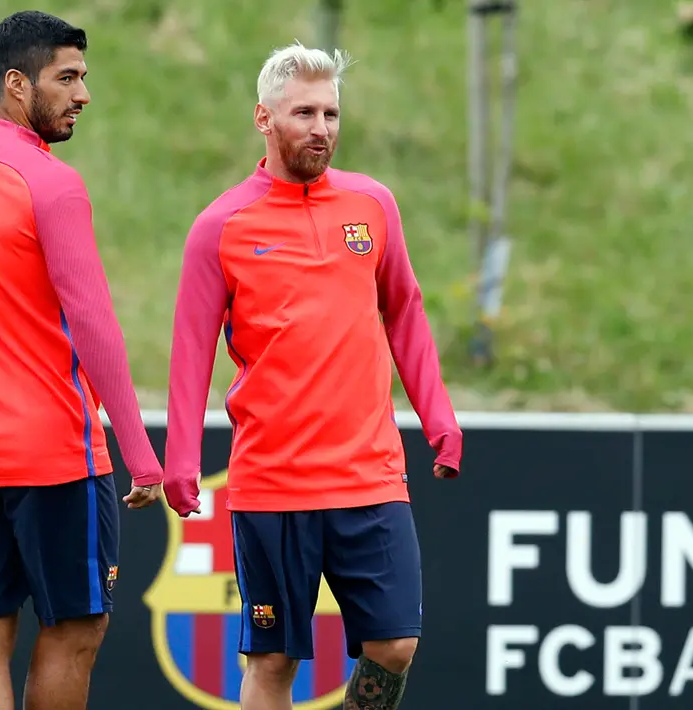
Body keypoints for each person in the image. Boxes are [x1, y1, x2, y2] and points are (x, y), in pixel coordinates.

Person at [162, 42, 463, 710]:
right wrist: (180, 460)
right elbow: (190, 351)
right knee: (271, 662)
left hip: (369, 477)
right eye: (304, 113)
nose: (321, 127)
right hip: (272, 484)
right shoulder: (220, 226)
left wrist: (437, 417)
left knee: (395, 647)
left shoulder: (373, 204)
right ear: (264, 120)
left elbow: (405, 313)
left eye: (330, 113)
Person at [0, 10, 164, 710]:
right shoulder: (51, 182)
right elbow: (95, 326)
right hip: (53, 455)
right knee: (75, 626)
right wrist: (142, 456)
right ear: (17, 83)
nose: (84, 93)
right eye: (69, 77)